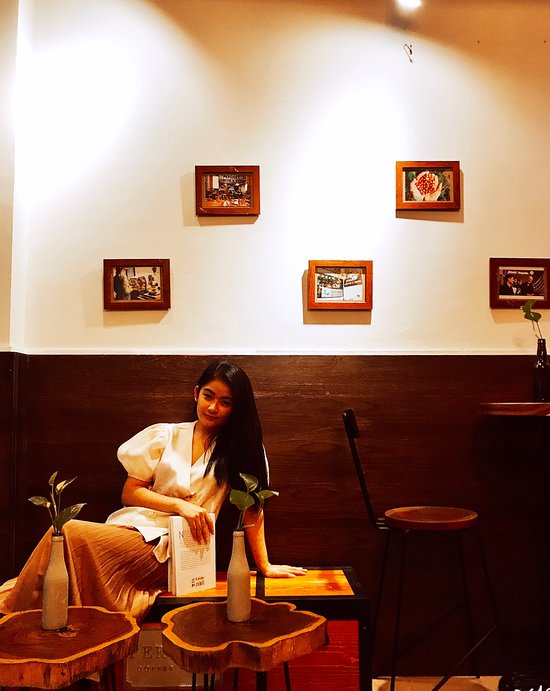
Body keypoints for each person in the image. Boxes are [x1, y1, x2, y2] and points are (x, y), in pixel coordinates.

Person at [0, 361, 306, 621]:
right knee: (61, 543)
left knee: (66, 532)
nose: (213, 407)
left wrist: (264, 565)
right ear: (196, 393)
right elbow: (130, 493)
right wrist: (180, 506)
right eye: (208, 396)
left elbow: (253, 510)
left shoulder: (241, 449)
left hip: (178, 549)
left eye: (225, 402)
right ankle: (26, 623)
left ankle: (12, 614)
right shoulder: (166, 435)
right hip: (133, 529)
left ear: (236, 408)